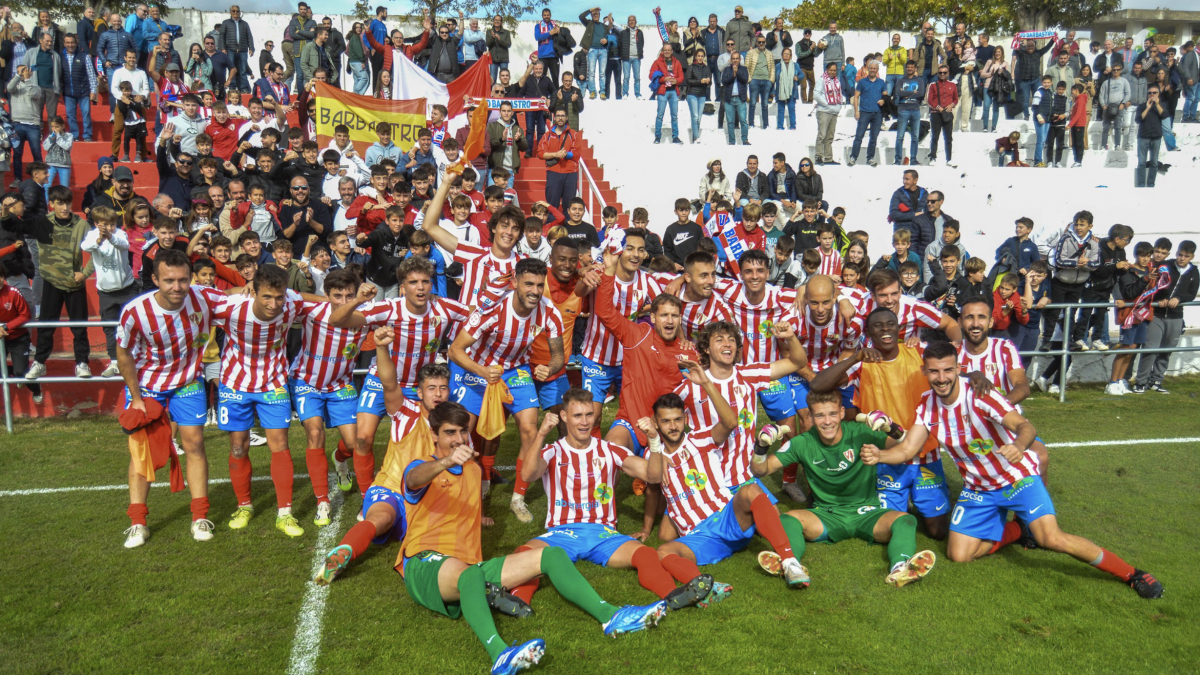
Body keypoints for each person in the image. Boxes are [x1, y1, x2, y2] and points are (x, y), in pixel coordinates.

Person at [862, 341, 1163, 599]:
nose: (941, 378)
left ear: (957, 369)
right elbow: (908, 449)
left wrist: (1019, 446)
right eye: (934, 371)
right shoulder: (927, 404)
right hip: (978, 489)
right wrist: (881, 455)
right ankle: (1018, 529)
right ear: (925, 372)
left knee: (1051, 540)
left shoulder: (980, 394)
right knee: (958, 555)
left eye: (947, 370)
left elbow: (1024, 426)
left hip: (1017, 479)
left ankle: (1132, 574)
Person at [398, 399, 668, 674]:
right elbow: (413, 480)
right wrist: (444, 461)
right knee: (469, 576)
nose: (459, 439)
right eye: (449, 432)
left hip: (468, 567)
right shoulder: (421, 466)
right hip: (423, 563)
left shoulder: (473, 470)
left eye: (463, 432)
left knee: (551, 555)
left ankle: (611, 616)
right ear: (433, 435)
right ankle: (500, 655)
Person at [508, 387, 726, 610]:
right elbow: (528, 474)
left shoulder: (610, 449)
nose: (584, 422)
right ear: (564, 417)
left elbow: (653, 475)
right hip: (562, 532)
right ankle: (518, 603)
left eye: (589, 415)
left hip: (603, 533)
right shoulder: (553, 450)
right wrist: (541, 433)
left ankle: (674, 595)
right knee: (525, 554)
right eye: (577, 416)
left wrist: (653, 439)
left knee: (646, 554)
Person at [752, 390, 939, 587]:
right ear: (810, 417)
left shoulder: (860, 432)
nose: (827, 421)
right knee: (788, 518)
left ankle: (900, 568)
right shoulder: (801, 443)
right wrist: (761, 446)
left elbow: (910, 443)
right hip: (826, 515)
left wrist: (891, 427)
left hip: (867, 513)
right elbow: (760, 470)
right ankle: (792, 565)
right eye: (820, 415)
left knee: (905, 519)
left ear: (842, 412)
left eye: (832, 414)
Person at [313, 345, 450, 585]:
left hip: (425, 500)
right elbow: (388, 383)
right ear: (419, 393)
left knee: (440, 538)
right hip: (391, 490)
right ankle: (344, 552)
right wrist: (384, 347)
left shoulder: (453, 424)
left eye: (442, 388)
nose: (437, 394)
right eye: (431, 389)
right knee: (381, 519)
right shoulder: (405, 412)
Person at [112, 249, 222, 548]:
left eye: (183, 280)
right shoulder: (136, 311)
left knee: (195, 444)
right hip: (147, 386)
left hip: (188, 381)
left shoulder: (203, 297)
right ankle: (137, 523)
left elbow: (240, 297)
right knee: (142, 453)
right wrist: (135, 398)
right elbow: (123, 354)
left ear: (192, 278)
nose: (177, 287)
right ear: (155, 279)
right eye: (169, 280)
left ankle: (200, 517)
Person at [650, 389, 809, 587]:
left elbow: (730, 422)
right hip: (700, 537)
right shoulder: (653, 457)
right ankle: (706, 588)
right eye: (666, 421)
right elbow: (651, 481)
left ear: (685, 419)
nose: (673, 427)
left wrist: (706, 383)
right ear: (655, 423)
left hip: (727, 519)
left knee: (750, 490)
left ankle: (790, 562)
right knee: (663, 551)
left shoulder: (700, 439)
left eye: (678, 419)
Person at [2, 187, 93, 379]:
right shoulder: (42, 222)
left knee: (79, 326)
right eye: (60, 203)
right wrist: (5, 211)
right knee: (46, 326)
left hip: (74, 283)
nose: (64, 207)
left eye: (68, 203)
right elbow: (16, 226)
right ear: (51, 204)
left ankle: (82, 363)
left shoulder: (81, 224)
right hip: (50, 281)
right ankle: (40, 362)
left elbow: (98, 250)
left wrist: (85, 274)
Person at [1134, 241, 1197, 394]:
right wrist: (1158, 299)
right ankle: (1140, 382)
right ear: (1176, 253)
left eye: (1186, 256)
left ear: (1192, 257)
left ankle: (1156, 380)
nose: (1182, 258)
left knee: (1166, 350)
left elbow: (1192, 293)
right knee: (1150, 349)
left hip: (1176, 316)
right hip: (1157, 314)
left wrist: (1179, 298)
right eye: (1180, 255)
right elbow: (1153, 286)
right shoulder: (1165, 265)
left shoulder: (1194, 272)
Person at [538, 108, 579, 213]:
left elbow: (577, 153)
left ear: (566, 118)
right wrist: (555, 154)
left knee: (569, 206)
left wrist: (566, 154)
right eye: (558, 116)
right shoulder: (547, 136)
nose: (560, 118)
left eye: (562, 116)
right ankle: (551, 228)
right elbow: (541, 153)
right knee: (552, 205)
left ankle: (568, 228)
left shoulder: (573, 134)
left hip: (570, 173)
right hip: (553, 172)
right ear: (554, 118)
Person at [59, 33, 97, 142]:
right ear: (64, 43)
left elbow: (91, 74)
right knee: (70, 116)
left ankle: (87, 136)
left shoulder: (84, 56)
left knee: (86, 114)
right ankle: (74, 136)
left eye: (72, 42)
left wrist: (93, 90)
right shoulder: (60, 57)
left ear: (76, 43)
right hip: (68, 92)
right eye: (68, 42)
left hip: (83, 91)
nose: (70, 45)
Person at [848, 61, 885, 166]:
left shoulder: (881, 82)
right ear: (868, 69)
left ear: (877, 70)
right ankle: (853, 157)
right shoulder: (862, 82)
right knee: (859, 136)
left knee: (873, 137)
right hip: (864, 112)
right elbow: (856, 96)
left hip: (877, 113)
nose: (873, 70)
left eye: (875, 68)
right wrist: (856, 111)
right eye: (871, 68)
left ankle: (870, 158)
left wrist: (883, 100)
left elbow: (885, 96)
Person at [1012, 37, 1054, 120]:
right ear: (1026, 46)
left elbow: (1047, 48)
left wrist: (1053, 39)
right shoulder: (1022, 53)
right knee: (1025, 100)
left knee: (1038, 97)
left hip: (1035, 80)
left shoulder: (1038, 53)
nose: (1030, 47)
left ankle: (1038, 113)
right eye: (1029, 46)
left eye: (1032, 46)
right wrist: (1016, 38)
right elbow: (1015, 47)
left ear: (1035, 46)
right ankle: (1026, 115)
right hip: (1024, 81)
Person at [926, 64, 959, 167]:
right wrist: (938, 107)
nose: (942, 74)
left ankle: (949, 159)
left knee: (948, 137)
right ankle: (933, 157)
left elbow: (956, 99)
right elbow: (929, 100)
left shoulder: (953, 85)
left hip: (947, 113)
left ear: (948, 73)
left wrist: (952, 105)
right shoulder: (933, 85)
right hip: (936, 114)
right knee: (935, 137)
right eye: (940, 73)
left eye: (944, 72)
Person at [651, 44, 684, 144]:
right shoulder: (657, 62)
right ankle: (657, 137)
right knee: (660, 115)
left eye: (669, 50)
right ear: (662, 51)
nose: (667, 52)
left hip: (674, 91)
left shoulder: (677, 62)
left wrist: (676, 81)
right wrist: (663, 79)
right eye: (665, 50)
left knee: (674, 116)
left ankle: (675, 137)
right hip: (662, 91)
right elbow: (651, 75)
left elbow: (681, 76)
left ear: (672, 51)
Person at [1135, 84, 1165, 188]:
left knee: (1154, 162)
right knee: (1142, 162)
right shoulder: (1142, 106)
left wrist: (1156, 104)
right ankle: (1141, 184)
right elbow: (1138, 119)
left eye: (1154, 93)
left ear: (1158, 94)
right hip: (1143, 136)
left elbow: (1164, 115)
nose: (1152, 95)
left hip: (1156, 136)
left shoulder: (1161, 105)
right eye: (1150, 93)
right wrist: (1147, 108)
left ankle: (1151, 184)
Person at [893, 60, 924, 165]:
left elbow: (921, 93)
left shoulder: (919, 80)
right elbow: (899, 92)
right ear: (906, 68)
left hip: (915, 109)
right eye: (908, 67)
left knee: (915, 136)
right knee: (900, 136)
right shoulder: (901, 80)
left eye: (912, 67)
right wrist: (913, 93)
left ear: (915, 68)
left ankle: (913, 159)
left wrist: (907, 94)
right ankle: (897, 159)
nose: (910, 69)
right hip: (903, 110)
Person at [812, 62, 843, 165]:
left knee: (830, 136)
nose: (833, 72)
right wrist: (827, 104)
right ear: (827, 70)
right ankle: (818, 157)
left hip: (834, 112)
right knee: (822, 135)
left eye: (834, 70)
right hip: (824, 111)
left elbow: (840, 95)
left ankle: (828, 158)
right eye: (831, 70)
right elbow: (816, 94)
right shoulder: (822, 80)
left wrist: (839, 107)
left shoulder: (837, 81)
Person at [220, 6, 254, 93]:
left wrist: (251, 48)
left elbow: (249, 36)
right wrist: (223, 48)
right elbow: (222, 36)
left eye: (237, 11)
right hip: (230, 49)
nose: (236, 13)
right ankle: (232, 87)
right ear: (230, 12)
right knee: (232, 69)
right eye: (234, 11)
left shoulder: (245, 24)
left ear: (240, 12)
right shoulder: (226, 23)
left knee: (243, 70)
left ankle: (243, 88)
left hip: (242, 49)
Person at [745, 34, 774, 130]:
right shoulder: (751, 53)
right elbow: (746, 67)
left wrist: (771, 80)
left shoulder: (769, 54)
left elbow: (772, 67)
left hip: (766, 81)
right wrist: (749, 79)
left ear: (765, 43)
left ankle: (766, 125)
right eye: (759, 42)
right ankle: (751, 124)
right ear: (756, 43)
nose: (761, 44)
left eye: (763, 42)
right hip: (754, 80)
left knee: (765, 104)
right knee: (752, 103)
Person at [721, 51, 749, 145]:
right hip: (729, 98)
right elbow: (724, 81)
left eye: (737, 58)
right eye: (733, 58)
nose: (735, 60)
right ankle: (732, 141)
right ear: (731, 60)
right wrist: (733, 74)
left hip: (740, 98)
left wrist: (737, 73)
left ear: (740, 59)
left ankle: (745, 140)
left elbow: (745, 80)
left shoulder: (744, 69)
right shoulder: (726, 69)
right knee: (730, 122)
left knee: (743, 120)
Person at [619, 14, 644, 99]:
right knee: (626, 77)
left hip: (637, 58)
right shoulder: (623, 33)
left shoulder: (639, 32)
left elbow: (642, 43)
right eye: (630, 20)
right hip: (627, 58)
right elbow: (620, 44)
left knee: (637, 77)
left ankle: (637, 94)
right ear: (628, 22)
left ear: (636, 22)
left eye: (633, 20)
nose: (632, 22)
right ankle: (625, 93)